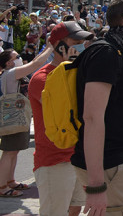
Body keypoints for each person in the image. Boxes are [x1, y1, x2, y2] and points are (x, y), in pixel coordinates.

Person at [71, 0, 123, 215]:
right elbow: (92, 117)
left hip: (117, 160)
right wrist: (96, 184)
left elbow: (115, 111)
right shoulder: (105, 53)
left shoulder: (116, 51)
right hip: (108, 164)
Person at [28, 21, 94, 215]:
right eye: (76, 40)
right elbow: (65, 110)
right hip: (53, 161)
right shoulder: (42, 78)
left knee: (75, 209)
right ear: (58, 44)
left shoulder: (79, 73)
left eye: (83, 41)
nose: (81, 45)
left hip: (76, 157)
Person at [0, 42, 54, 197]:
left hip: (18, 117)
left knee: (14, 151)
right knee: (9, 152)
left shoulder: (12, 73)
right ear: (9, 62)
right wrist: (50, 47)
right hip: (13, 118)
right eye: (16, 56)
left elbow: (34, 62)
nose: (19, 58)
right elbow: (35, 64)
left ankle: (10, 180)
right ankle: (2, 186)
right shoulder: (11, 73)